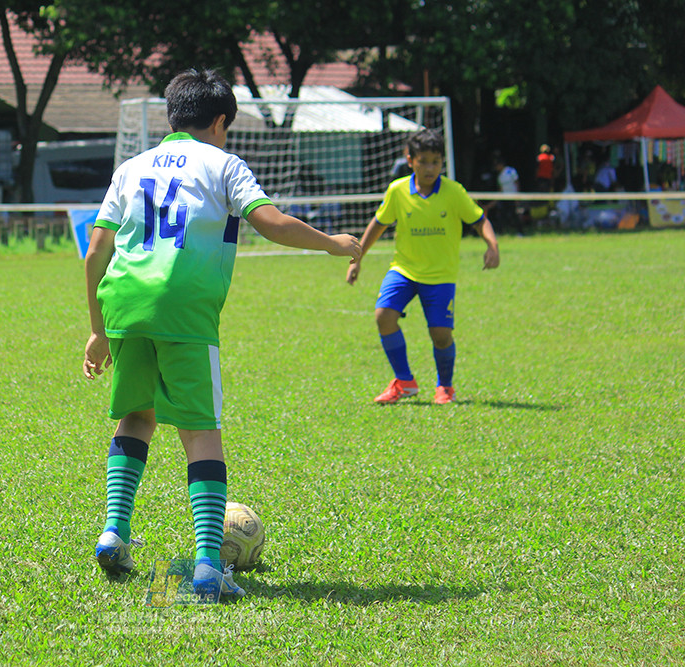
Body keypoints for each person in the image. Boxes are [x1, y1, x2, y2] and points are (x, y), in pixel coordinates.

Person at [82, 68, 361, 601]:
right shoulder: (224, 163)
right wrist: (330, 242)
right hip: (184, 310)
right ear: (218, 122)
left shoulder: (131, 166)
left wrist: (97, 331)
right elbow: (271, 222)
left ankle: (114, 532)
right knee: (200, 430)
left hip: (123, 305)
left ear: (171, 117)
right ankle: (210, 567)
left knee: (137, 416)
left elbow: (96, 251)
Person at [346, 129, 500, 405]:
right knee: (383, 316)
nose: (430, 168)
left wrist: (492, 245)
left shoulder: (454, 192)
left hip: (440, 276)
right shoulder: (398, 190)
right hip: (403, 270)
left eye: (436, 162)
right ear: (410, 160)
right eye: (424, 161)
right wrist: (358, 259)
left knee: (440, 335)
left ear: (443, 163)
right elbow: (378, 225)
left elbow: (479, 220)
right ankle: (404, 381)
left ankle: (445, 387)